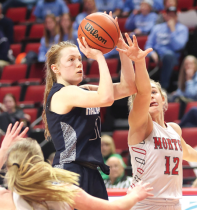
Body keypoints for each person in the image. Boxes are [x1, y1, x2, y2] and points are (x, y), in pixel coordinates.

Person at [42, 12, 138, 200]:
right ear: (56, 69)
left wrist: (121, 48)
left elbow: (128, 87)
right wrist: (100, 56)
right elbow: (107, 98)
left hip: (91, 171)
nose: (79, 64)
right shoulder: (63, 94)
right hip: (69, 172)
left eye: (79, 59)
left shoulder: (82, 91)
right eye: (71, 60)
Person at [119, 34, 197, 209]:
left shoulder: (174, 129)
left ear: (163, 99)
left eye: (154, 92)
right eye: (145, 94)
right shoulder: (141, 124)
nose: (149, 96)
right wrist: (140, 62)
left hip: (173, 203)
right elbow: (141, 93)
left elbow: (185, 150)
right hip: (146, 203)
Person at [0, 123, 154, 210]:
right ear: (41, 161)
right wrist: (135, 195)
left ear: (10, 166)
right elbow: (115, 208)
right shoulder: (64, 191)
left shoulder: (1, 198)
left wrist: (3, 150)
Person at [145, 6, 188, 91]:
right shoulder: (157, 28)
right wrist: (152, 53)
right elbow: (148, 45)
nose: (171, 18)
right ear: (165, 16)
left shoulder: (182, 29)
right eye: (169, 15)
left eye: (173, 15)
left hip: (172, 56)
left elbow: (179, 46)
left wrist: (172, 30)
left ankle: (163, 87)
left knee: (168, 56)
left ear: (176, 17)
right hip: (156, 55)